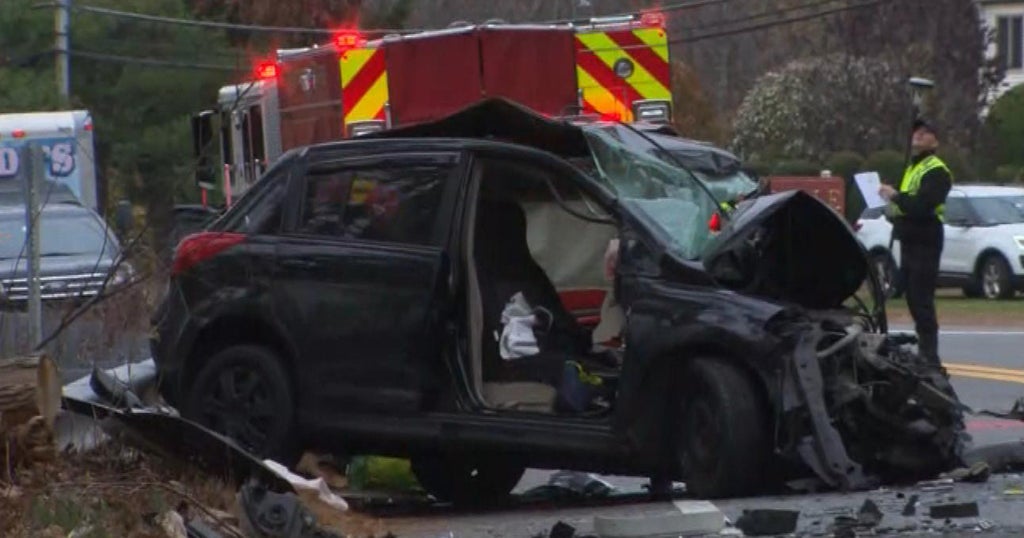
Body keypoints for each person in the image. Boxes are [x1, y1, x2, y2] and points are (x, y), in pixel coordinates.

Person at [878, 118, 953, 365]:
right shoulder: (912, 167)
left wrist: (897, 196)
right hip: (909, 241)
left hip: (926, 240)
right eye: (916, 133)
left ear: (936, 141)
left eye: (925, 133)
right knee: (910, 295)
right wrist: (891, 206)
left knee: (921, 299)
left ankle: (930, 356)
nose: (918, 136)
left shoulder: (937, 171)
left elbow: (921, 206)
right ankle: (923, 352)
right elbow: (906, 205)